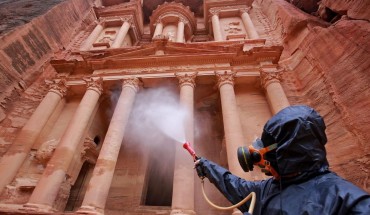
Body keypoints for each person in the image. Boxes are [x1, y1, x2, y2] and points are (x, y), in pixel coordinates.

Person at [195, 105, 370, 215]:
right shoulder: (268, 188)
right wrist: (206, 166)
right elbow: (234, 185)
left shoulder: (347, 200)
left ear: (286, 152)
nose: (257, 158)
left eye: (265, 148)